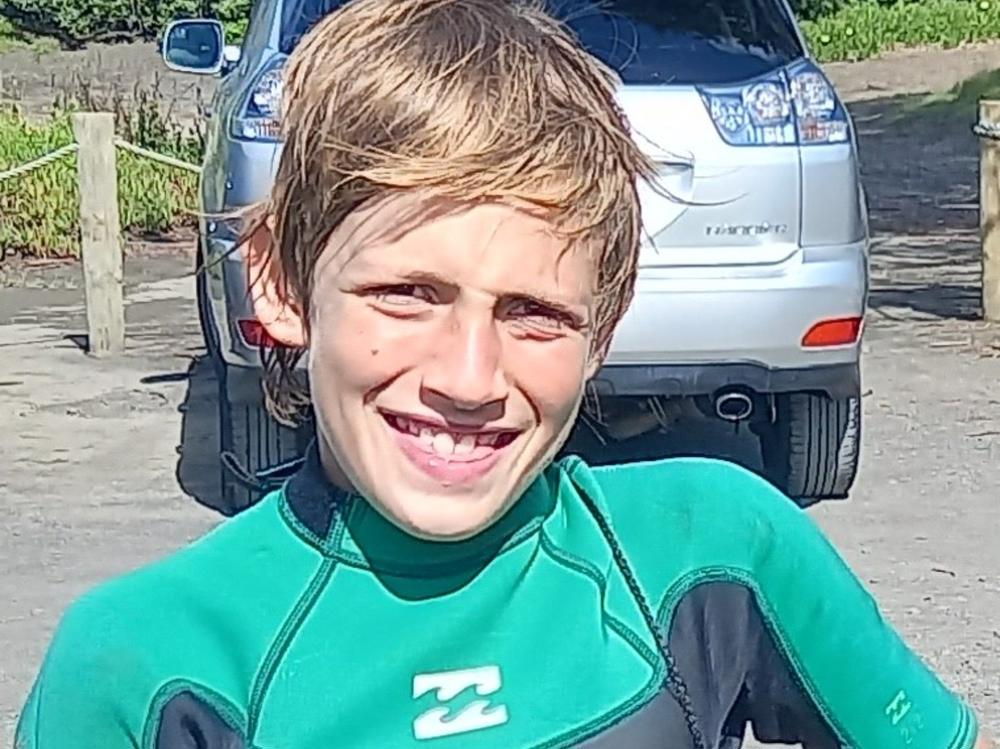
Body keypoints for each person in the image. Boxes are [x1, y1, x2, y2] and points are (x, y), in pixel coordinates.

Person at [15, 1, 994, 747]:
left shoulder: (718, 548)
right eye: (407, 293)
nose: (471, 374)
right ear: (280, 283)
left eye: (534, 312)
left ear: (603, 328)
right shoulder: (146, 663)